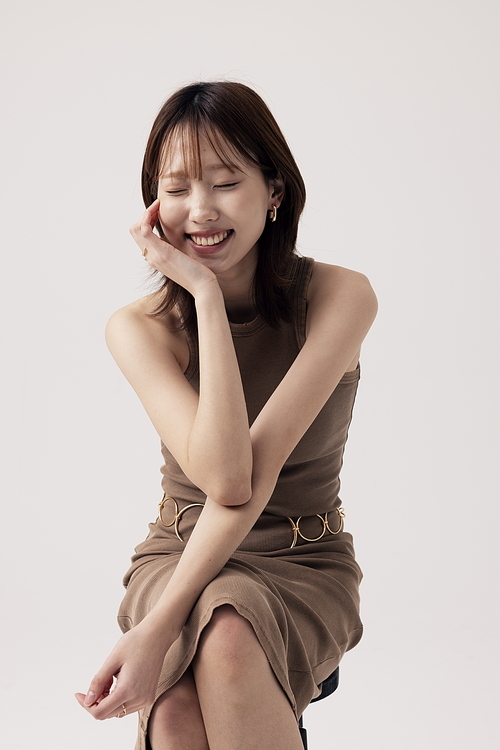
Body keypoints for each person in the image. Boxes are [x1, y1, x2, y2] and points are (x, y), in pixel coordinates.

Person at [75, 81, 377, 750]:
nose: (199, 210)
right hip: (181, 552)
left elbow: (245, 479)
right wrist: (203, 302)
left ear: (274, 190)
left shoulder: (339, 296)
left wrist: (156, 632)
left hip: (300, 557)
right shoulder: (139, 328)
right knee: (180, 705)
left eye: (224, 182)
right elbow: (220, 475)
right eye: (177, 188)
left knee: (229, 633)